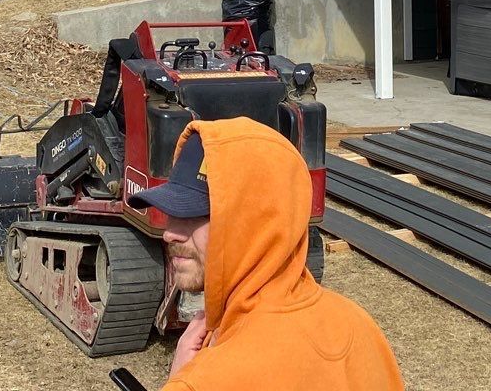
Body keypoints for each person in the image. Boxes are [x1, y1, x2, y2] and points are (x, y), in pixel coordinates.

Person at [132, 117, 403, 391]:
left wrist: (180, 379)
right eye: (172, 213)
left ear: (255, 224)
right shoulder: (359, 328)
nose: (169, 233)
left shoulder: (206, 379)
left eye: (193, 214)